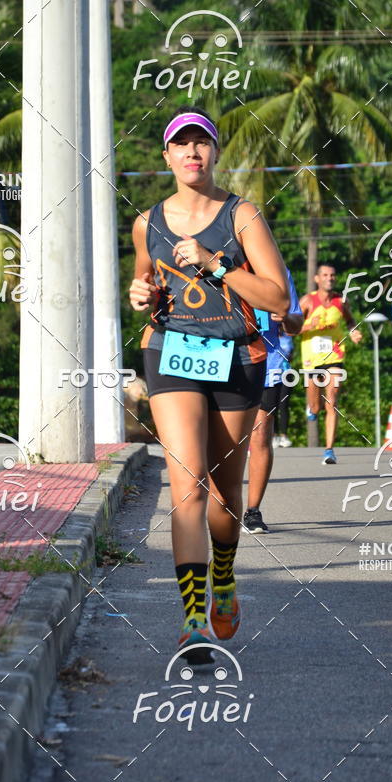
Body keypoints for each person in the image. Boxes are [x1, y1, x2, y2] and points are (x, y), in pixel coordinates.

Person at [128, 105, 290, 661]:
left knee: (225, 496)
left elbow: (277, 299)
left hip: (237, 357)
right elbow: (144, 281)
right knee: (187, 488)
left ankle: (224, 577)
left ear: (215, 153)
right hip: (171, 353)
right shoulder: (147, 222)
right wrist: (138, 294)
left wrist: (217, 264)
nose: (192, 152)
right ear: (167, 155)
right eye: (182, 144)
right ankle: (194, 621)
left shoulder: (242, 216)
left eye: (202, 143)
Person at [243, 269, 304, 534]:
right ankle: (219, 504)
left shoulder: (277, 270)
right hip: (219, 359)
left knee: (259, 435)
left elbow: (296, 324)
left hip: (268, 363)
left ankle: (252, 511)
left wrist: (287, 318)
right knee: (219, 439)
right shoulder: (214, 261)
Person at [299, 264, 362, 464]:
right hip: (311, 359)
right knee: (316, 405)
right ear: (317, 279)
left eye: (333, 275)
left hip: (334, 356)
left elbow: (351, 321)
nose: (330, 278)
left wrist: (354, 331)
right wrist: (310, 325)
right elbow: (290, 328)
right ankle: (312, 409)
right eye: (325, 275)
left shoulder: (340, 301)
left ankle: (329, 450)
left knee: (332, 400)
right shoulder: (307, 301)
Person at [273, 330, 294, 448]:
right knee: (272, 406)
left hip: (286, 373)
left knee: (284, 405)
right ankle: (274, 435)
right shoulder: (268, 335)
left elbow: (290, 354)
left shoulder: (287, 337)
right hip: (271, 374)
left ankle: (284, 436)